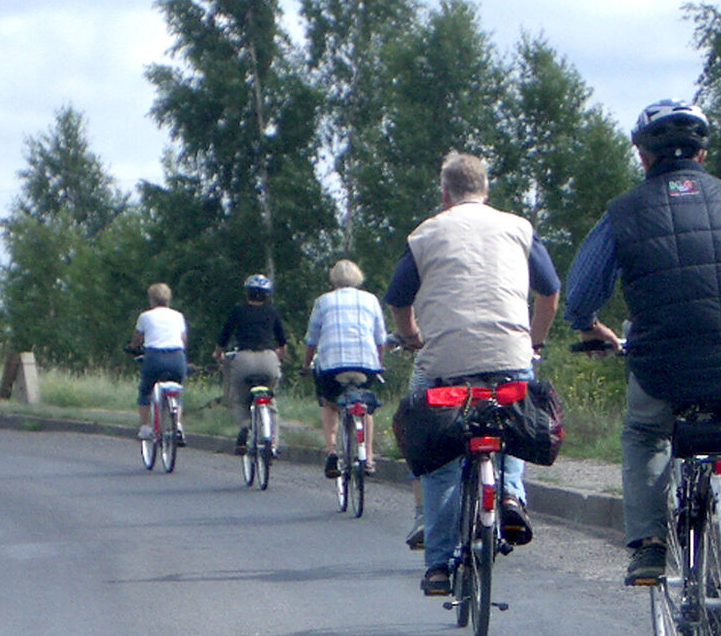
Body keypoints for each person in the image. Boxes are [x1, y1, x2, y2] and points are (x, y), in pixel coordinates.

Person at [564, 99, 721, 636]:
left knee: (645, 435)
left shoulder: (623, 212)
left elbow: (583, 292)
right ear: (703, 153)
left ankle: (647, 546)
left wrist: (589, 327)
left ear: (643, 155)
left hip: (660, 366)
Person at [386, 151, 561, 596]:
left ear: (444, 192)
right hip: (510, 354)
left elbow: (399, 299)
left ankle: (439, 565)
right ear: (486, 189)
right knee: (515, 411)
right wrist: (533, 343)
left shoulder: (425, 234)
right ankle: (510, 494)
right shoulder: (519, 228)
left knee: (440, 459)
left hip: (445, 363)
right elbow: (550, 292)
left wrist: (411, 337)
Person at [304, 259, 387, 478]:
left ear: (333, 278)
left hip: (332, 366)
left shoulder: (323, 301)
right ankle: (368, 457)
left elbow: (312, 339)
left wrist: (306, 364)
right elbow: (380, 338)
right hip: (366, 364)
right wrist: (379, 363)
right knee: (365, 405)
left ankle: (332, 450)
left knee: (329, 403)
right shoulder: (371, 299)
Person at [213, 274, 288, 454]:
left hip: (244, 358)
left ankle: (245, 427)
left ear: (247, 293)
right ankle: (273, 444)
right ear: (267, 295)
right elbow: (282, 342)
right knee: (271, 402)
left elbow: (224, 336)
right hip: (268, 359)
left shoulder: (238, 311)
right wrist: (279, 358)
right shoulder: (272, 312)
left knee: (239, 399)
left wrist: (218, 354)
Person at [130, 283, 187, 442]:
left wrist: (133, 347)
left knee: (145, 391)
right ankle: (177, 425)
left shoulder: (145, 316)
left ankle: (144, 427)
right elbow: (183, 339)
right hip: (176, 357)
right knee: (176, 390)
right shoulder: (178, 316)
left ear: (151, 300)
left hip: (154, 357)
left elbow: (137, 339)